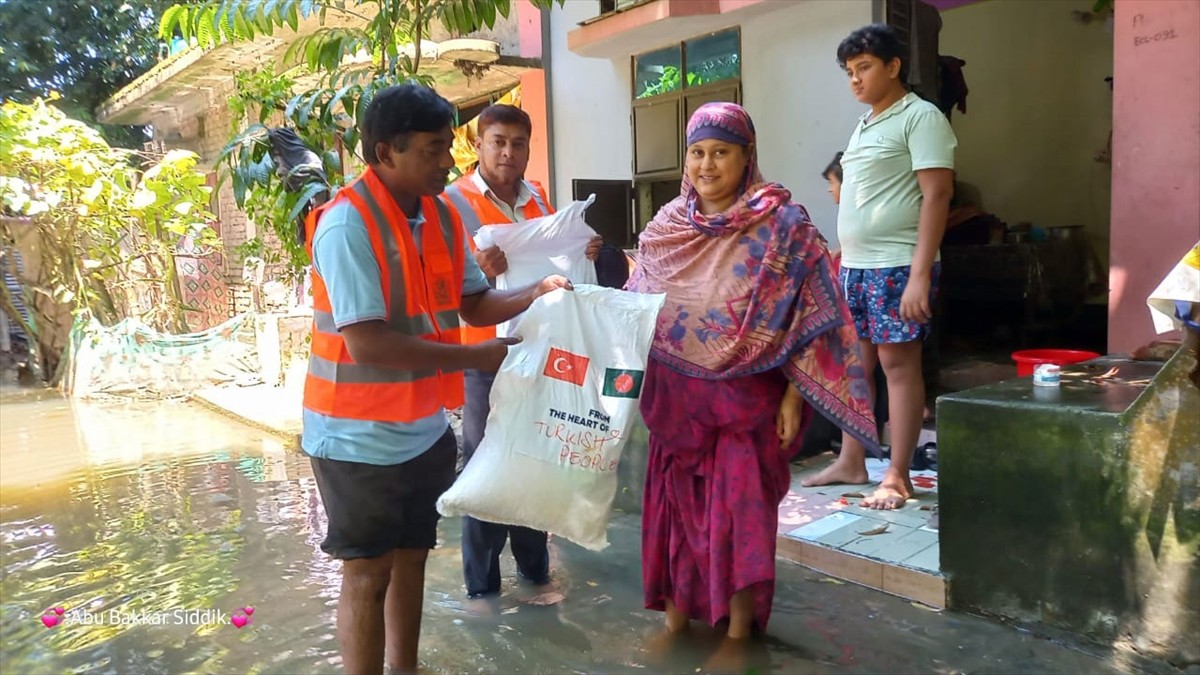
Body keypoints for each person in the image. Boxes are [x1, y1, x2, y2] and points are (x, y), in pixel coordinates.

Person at [301, 84, 570, 675]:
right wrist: (477, 360)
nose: (448, 162)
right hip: (353, 436)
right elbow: (366, 342)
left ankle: (406, 668)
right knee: (367, 572)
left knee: (413, 558)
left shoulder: (443, 213)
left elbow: (473, 304)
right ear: (384, 152)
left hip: (422, 428)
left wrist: (535, 292)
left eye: (447, 147)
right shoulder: (347, 225)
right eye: (432, 150)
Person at [625, 102, 877, 665]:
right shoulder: (666, 228)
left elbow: (817, 311)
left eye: (721, 152)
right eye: (697, 152)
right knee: (674, 516)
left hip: (746, 405)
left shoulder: (785, 227)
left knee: (739, 516)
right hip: (676, 405)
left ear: (746, 158)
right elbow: (636, 307)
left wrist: (793, 394)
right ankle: (676, 620)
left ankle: (738, 636)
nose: (707, 164)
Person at [439, 104, 601, 601]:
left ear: (529, 147)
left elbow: (553, 262)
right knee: (487, 466)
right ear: (478, 145)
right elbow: (442, 289)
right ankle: (482, 588)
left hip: (537, 352)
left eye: (519, 143)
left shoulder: (540, 201)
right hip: (485, 356)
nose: (509, 153)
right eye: (498, 142)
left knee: (535, 458)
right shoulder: (451, 204)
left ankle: (535, 573)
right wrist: (481, 271)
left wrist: (589, 248)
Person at [802, 24, 957, 509]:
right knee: (858, 366)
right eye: (850, 71)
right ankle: (851, 459)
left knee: (898, 365)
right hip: (857, 269)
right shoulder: (867, 123)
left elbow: (937, 194)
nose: (855, 79)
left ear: (893, 66)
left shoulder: (921, 117)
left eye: (864, 67)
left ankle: (897, 474)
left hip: (897, 265)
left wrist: (919, 275)